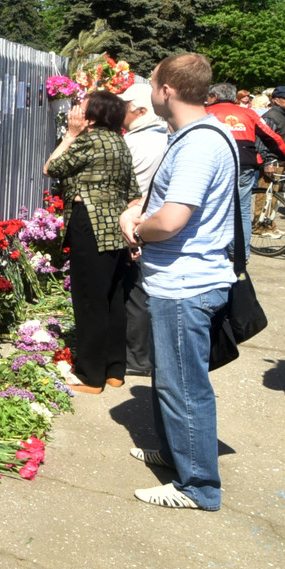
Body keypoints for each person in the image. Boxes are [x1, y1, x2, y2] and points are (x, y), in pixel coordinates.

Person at [118, 53, 237, 512]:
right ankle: (176, 453)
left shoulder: (198, 144)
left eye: (152, 83)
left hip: (185, 284)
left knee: (183, 386)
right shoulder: (195, 135)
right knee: (171, 380)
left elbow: (171, 220)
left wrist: (137, 229)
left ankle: (199, 486)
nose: (149, 92)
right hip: (180, 279)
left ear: (167, 90)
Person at [44, 91, 141, 394]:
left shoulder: (90, 140)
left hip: (90, 224)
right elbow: (134, 189)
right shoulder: (119, 141)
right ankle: (114, 370)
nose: (76, 112)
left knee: (89, 300)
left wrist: (70, 135)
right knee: (113, 298)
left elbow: (52, 168)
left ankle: (90, 375)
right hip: (115, 226)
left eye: (82, 109)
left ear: (94, 115)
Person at [118, 81, 170, 378]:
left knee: (136, 293)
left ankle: (137, 359)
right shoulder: (161, 137)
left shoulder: (138, 142)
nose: (121, 112)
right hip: (150, 225)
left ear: (139, 111)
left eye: (125, 107)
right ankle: (145, 354)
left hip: (136, 224)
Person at [205, 82, 285, 256]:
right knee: (242, 210)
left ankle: (214, 251)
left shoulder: (206, 113)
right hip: (243, 164)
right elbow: (271, 137)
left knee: (212, 207)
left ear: (214, 97)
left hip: (214, 165)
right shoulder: (248, 113)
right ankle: (241, 254)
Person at [262, 87, 285, 154]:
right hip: (274, 161)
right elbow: (262, 144)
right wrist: (268, 162)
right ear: (277, 100)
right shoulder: (270, 117)